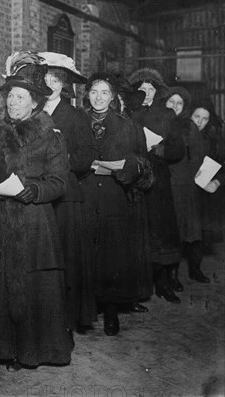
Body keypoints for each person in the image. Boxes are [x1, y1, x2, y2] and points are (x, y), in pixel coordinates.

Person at [0, 51, 73, 370]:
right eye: (10, 95)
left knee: (26, 286)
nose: (12, 101)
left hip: (32, 223)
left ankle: (22, 351)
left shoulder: (50, 136)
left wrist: (34, 190)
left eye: (20, 96)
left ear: (35, 102)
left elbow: (58, 181)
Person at [75, 72, 149, 336]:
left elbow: (140, 163)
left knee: (112, 258)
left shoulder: (126, 125)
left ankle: (111, 311)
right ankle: (86, 309)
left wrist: (123, 169)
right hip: (84, 196)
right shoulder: (78, 121)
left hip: (113, 196)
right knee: (85, 255)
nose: (99, 97)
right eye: (94, 92)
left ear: (113, 97)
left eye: (105, 92)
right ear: (87, 95)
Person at [38, 51, 97, 331]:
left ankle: (67, 318)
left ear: (64, 85)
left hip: (66, 197)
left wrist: (57, 158)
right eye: (45, 77)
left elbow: (86, 159)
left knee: (65, 256)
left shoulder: (76, 117)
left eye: (55, 78)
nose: (49, 83)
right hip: (37, 194)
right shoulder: (30, 112)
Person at [129, 67, 185, 304]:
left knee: (161, 232)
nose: (147, 93)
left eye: (151, 89)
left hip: (159, 181)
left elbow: (178, 149)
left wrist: (162, 150)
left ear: (157, 91)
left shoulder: (167, 114)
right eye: (142, 89)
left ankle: (162, 284)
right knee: (137, 232)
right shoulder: (129, 113)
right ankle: (138, 287)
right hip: (135, 178)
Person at [165, 87, 207, 287]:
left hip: (184, 185)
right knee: (171, 233)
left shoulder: (188, 126)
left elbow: (197, 157)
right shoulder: (160, 122)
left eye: (179, 103)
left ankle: (191, 271)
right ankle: (170, 278)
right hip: (164, 184)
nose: (174, 106)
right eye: (171, 102)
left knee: (187, 231)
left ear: (184, 107)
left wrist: (185, 176)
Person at [191, 100, 225, 277]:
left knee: (200, 232)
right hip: (182, 191)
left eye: (204, 119)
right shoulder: (179, 136)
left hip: (203, 193)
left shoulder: (213, 141)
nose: (199, 122)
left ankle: (195, 268)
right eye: (196, 116)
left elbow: (222, 166)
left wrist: (217, 182)